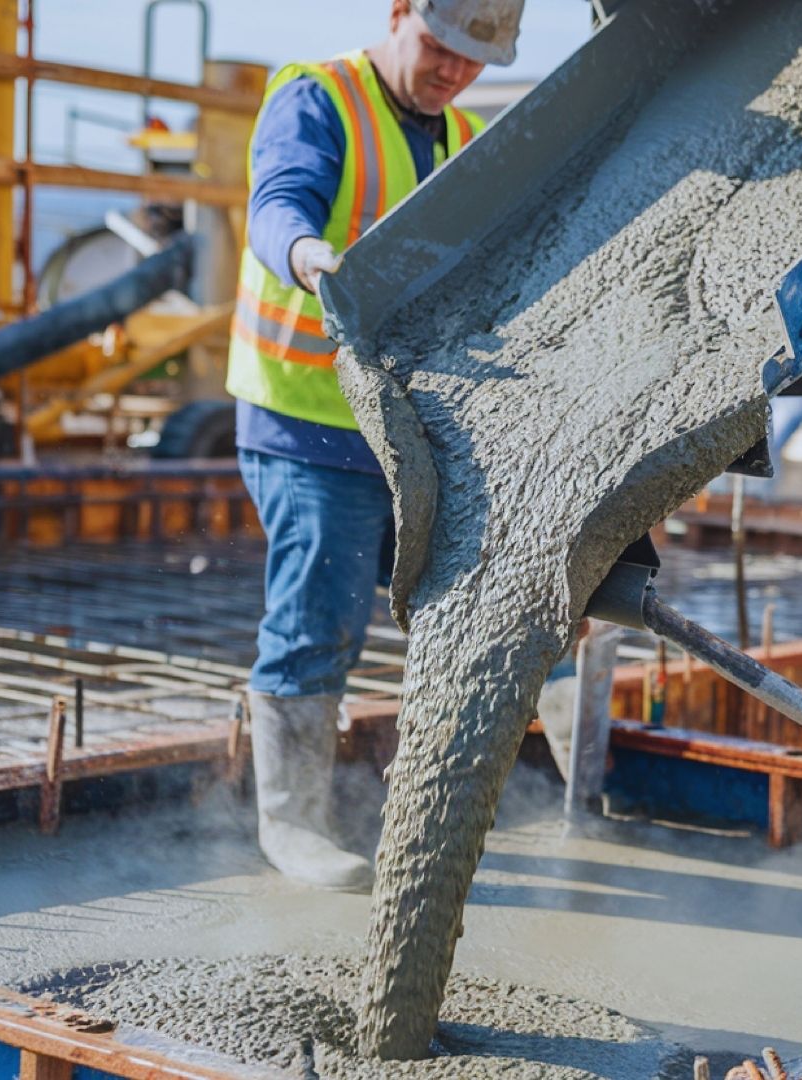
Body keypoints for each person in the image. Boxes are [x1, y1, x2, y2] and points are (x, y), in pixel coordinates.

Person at [226, 0, 524, 889]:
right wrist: (308, 255)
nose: (453, 72)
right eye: (439, 46)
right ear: (399, 13)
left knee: (468, 602)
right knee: (321, 607)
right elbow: (278, 204)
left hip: (409, 428)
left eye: (474, 59)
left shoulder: (467, 137)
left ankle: (432, 800)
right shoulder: (319, 98)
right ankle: (291, 824)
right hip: (305, 418)